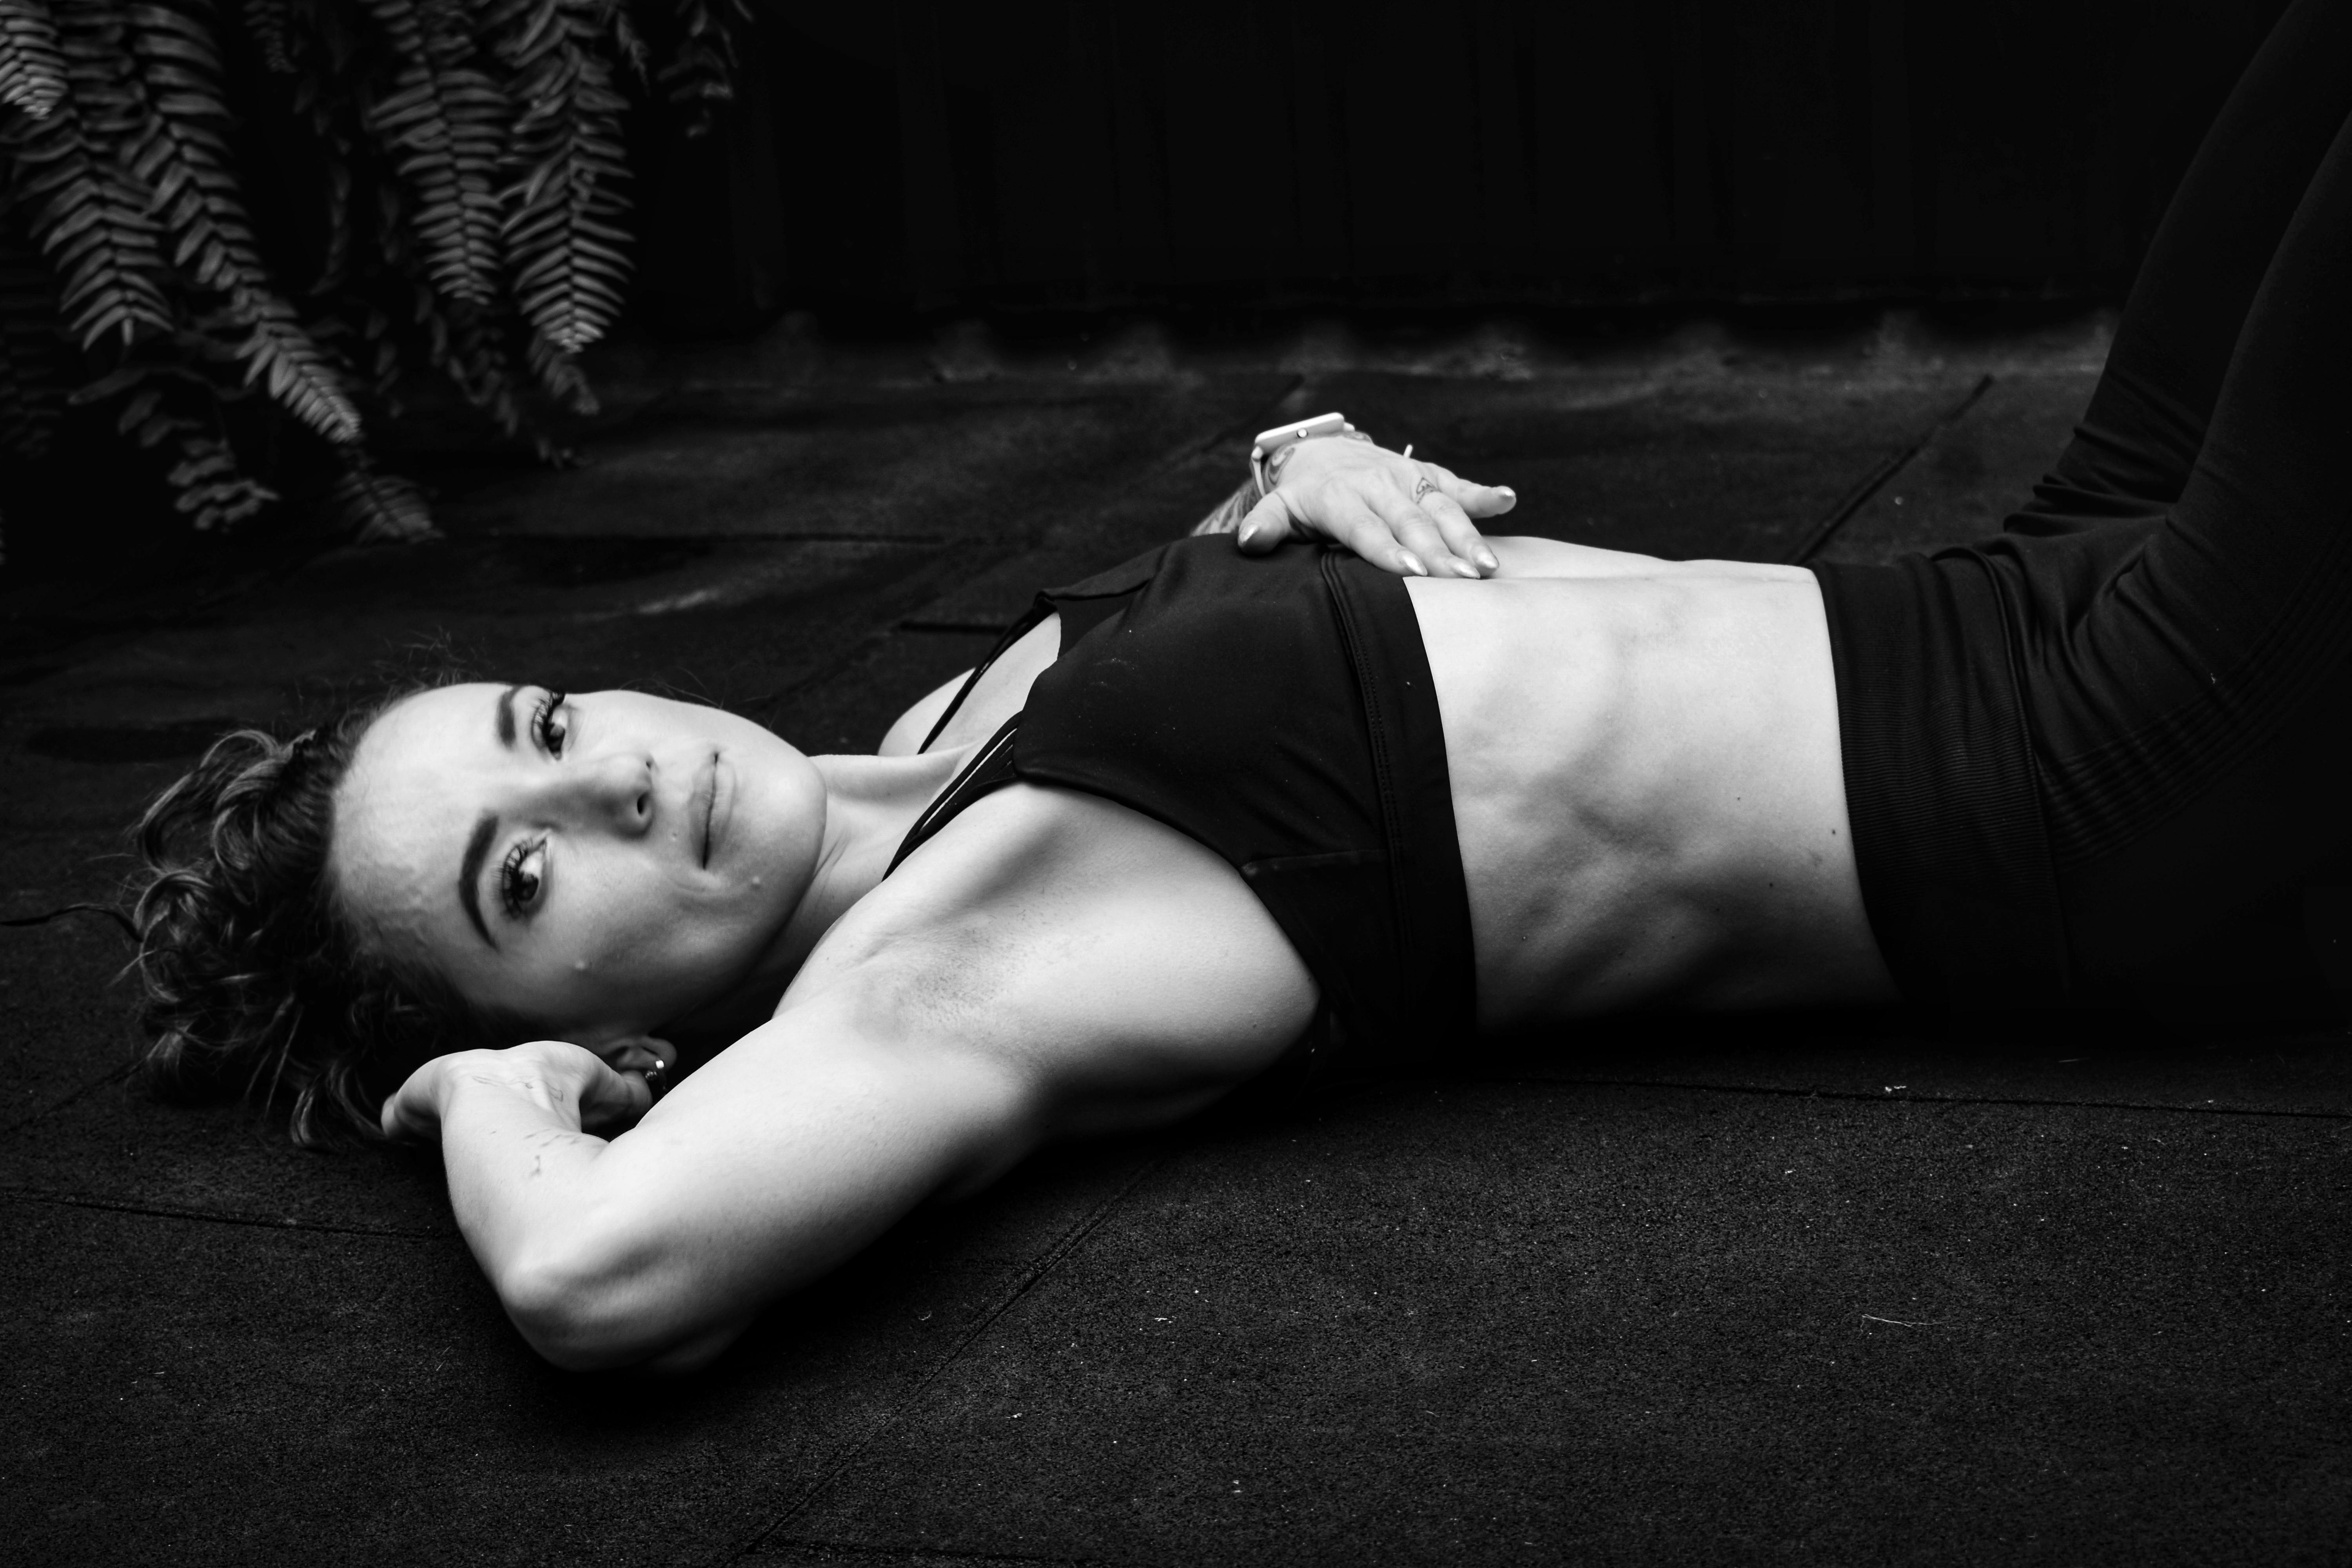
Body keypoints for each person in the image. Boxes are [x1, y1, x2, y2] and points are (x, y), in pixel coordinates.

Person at [129, 0, 2352, 1373]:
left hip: (2034, 575)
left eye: (542, 734)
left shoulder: (938, 746)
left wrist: (1291, 455)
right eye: (527, 880)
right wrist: (484, 1111)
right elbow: (600, 1280)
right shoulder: (935, 977)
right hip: (2102, 770)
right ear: (594, 1025)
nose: (611, 787)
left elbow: (1275, 641)